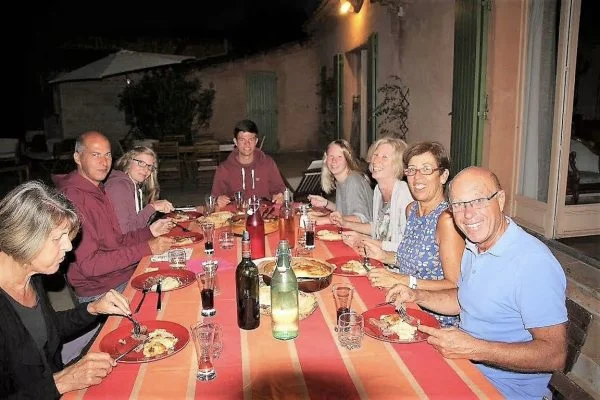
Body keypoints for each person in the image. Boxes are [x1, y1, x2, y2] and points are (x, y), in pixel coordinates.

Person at [386, 166, 567, 399]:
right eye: (458, 205)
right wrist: (417, 295)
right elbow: (464, 300)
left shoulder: (533, 262)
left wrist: (474, 348)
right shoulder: (475, 246)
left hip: (502, 389)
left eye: (478, 201)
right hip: (463, 366)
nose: (468, 214)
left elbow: (555, 355)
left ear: (500, 200)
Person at [0, 181, 133, 398]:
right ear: (23, 238)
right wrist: (62, 382)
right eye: (57, 238)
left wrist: (92, 308)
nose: (69, 246)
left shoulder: (31, 274)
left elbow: (45, 329)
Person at [363, 141, 464, 327]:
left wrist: (402, 280)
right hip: (404, 306)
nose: (417, 177)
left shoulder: (446, 220)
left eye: (426, 169)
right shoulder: (412, 210)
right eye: (411, 170)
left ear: (443, 176)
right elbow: (417, 261)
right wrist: (385, 256)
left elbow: (454, 285)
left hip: (433, 320)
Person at [332, 136, 413, 252]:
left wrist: (365, 240)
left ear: (397, 164)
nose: (375, 161)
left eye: (384, 157)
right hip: (377, 255)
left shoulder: (404, 194)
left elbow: (406, 247)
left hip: (393, 261)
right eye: (375, 155)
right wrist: (345, 223)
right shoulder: (378, 191)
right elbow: (377, 228)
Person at [211, 119, 287, 208]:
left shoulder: (268, 163)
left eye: (251, 139)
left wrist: (279, 195)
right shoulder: (224, 168)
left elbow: (279, 189)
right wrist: (218, 200)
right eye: (242, 139)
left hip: (265, 213)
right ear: (235, 142)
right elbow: (215, 197)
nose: (247, 144)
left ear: (256, 141)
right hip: (236, 214)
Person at [105, 146, 175, 234]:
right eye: (141, 163)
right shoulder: (118, 187)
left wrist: (153, 227)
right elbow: (125, 233)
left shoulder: (135, 187)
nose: (146, 169)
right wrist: (152, 207)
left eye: (150, 167)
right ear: (128, 161)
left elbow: (136, 225)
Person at [307, 139, 373, 225]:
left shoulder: (353, 181)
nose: (334, 161)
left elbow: (361, 218)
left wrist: (326, 220)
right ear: (326, 159)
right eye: (331, 156)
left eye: (339, 157)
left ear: (348, 160)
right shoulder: (341, 180)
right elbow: (345, 212)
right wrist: (326, 203)